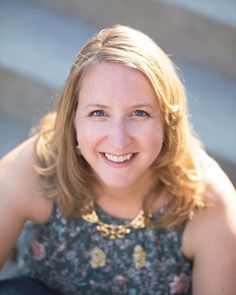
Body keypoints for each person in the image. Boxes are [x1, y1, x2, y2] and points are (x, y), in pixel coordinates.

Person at [0, 25, 236, 295]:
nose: (119, 140)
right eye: (99, 113)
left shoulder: (207, 202)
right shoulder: (37, 166)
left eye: (139, 113)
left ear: (168, 122)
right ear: (73, 119)